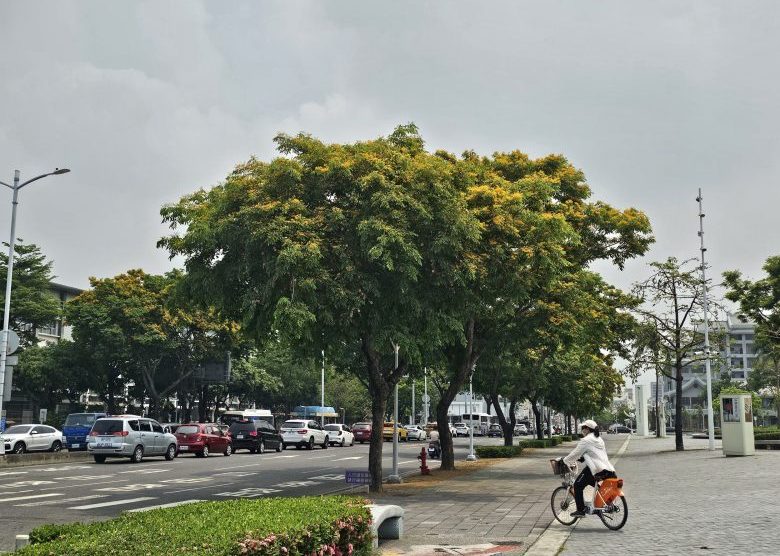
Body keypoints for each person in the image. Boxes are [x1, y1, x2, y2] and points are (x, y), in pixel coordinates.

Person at [561, 419, 616, 517]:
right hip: (609, 469)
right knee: (591, 482)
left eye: (583, 428)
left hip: (596, 469)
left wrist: (565, 460)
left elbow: (575, 453)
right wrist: (583, 458)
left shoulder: (586, 440)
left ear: (587, 429)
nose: (582, 431)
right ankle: (600, 504)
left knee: (578, 485)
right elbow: (594, 453)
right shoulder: (599, 439)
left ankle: (580, 511)